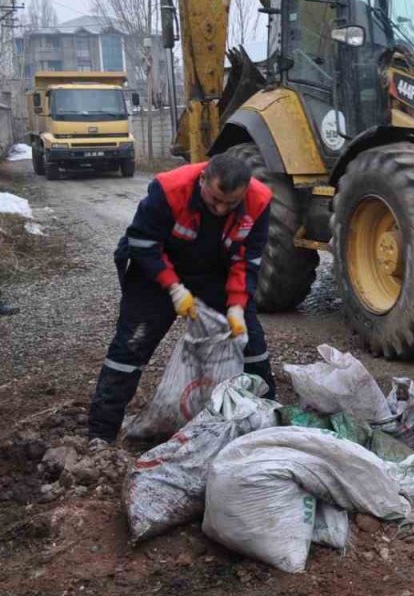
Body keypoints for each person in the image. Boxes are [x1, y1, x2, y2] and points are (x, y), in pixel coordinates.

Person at [88, 153, 274, 441]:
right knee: (131, 346)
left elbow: (246, 259)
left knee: (252, 345)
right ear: (202, 180)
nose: (221, 209)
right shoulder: (170, 189)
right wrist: (174, 288)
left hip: (213, 270)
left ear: (245, 192)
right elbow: (143, 242)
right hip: (157, 267)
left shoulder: (258, 201)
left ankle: (266, 428)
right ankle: (101, 434)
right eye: (214, 200)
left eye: (231, 204)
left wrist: (237, 305)